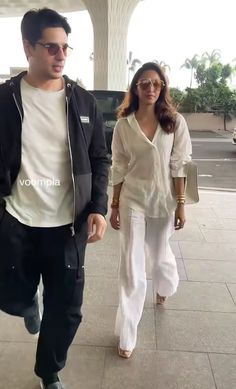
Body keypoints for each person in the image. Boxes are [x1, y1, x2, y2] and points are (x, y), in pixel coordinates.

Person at [0, 8, 109, 389]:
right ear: (28, 47)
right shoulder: (4, 99)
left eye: (65, 47)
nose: (61, 55)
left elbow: (100, 157)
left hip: (67, 226)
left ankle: (49, 372)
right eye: (51, 47)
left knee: (66, 310)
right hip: (17, 218)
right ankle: (26, 302)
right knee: (10, 292)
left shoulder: (83, 102)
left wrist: (98, 207)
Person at [110, 62, 192, 359]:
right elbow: (118, 165)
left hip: (163, 200)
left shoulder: (175, 122)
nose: (150, 88)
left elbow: (180, 164)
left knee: (160, 257)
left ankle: (164, 286)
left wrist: (181, 205)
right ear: (135, 87)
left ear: (163, 87)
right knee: (131, 266)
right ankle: (128, 333)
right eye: (144, 83)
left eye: (156, 83)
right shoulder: (124, 124)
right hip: (133, 198)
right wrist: (115, 204)